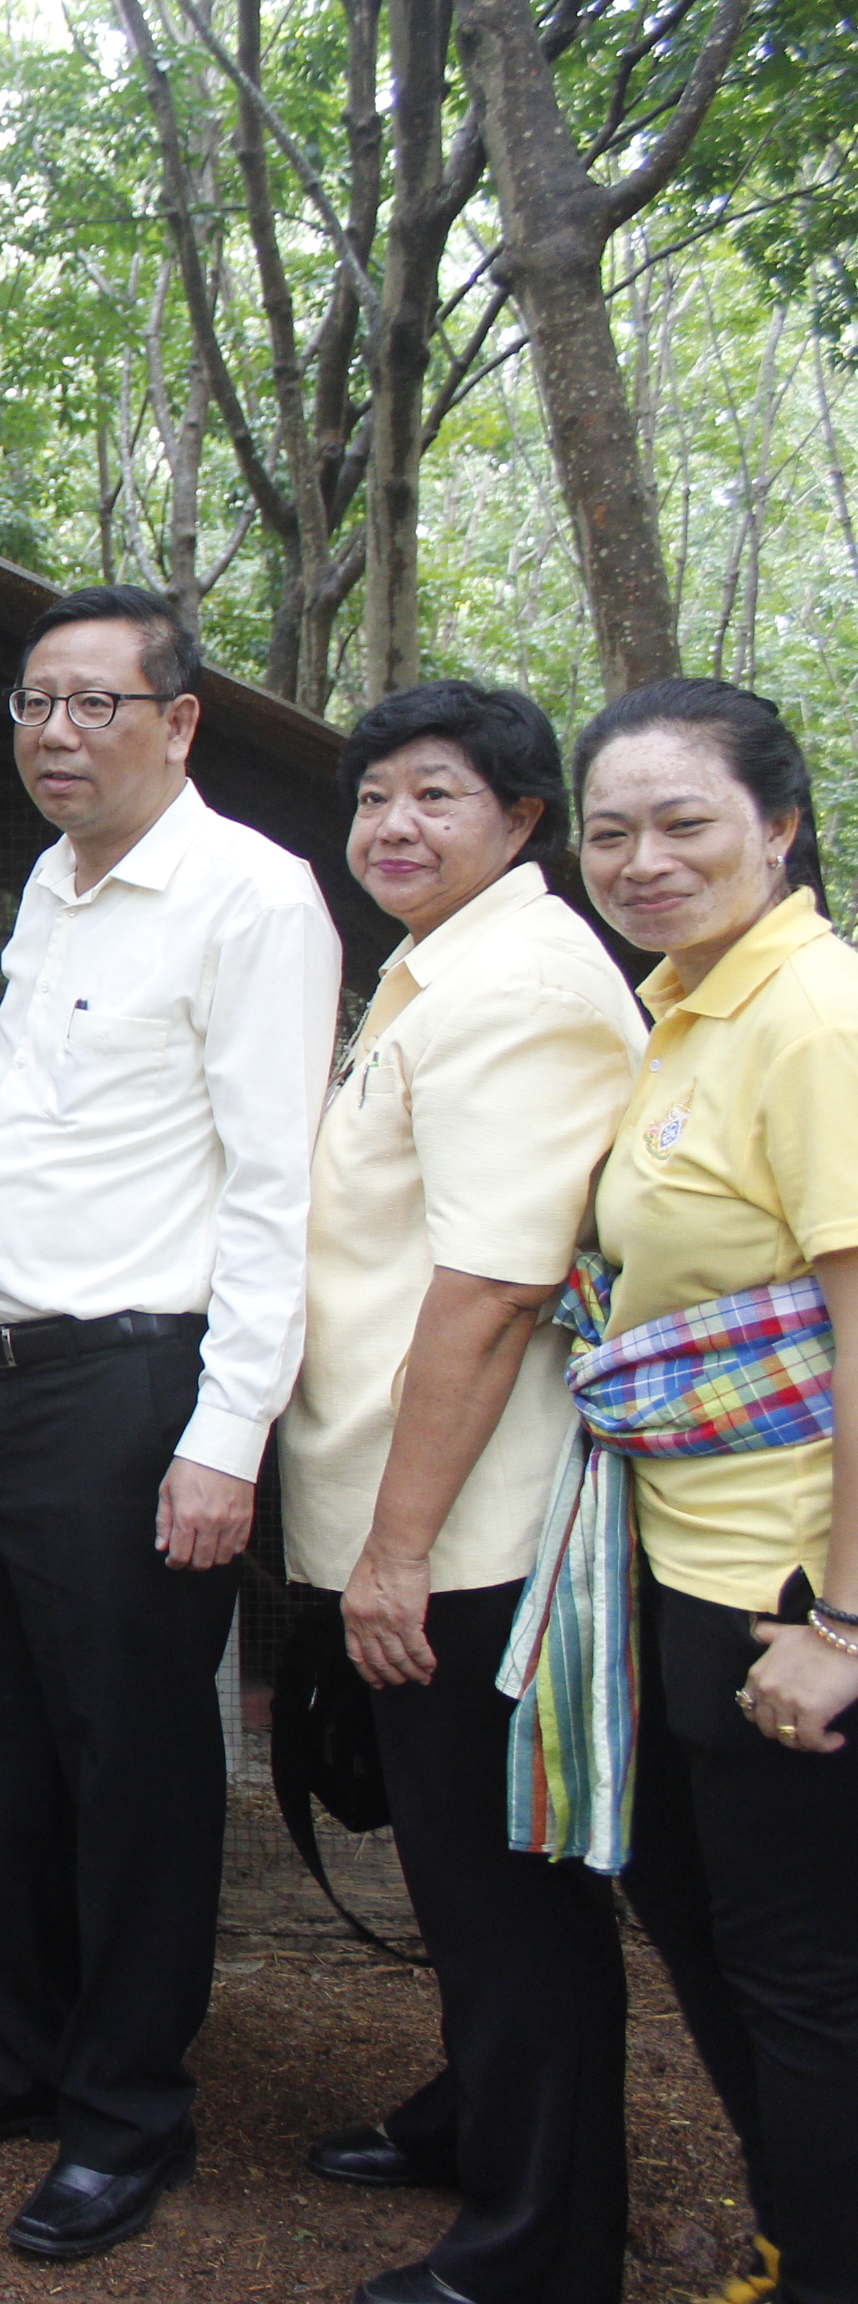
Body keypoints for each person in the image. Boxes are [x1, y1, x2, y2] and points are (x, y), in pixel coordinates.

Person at [0, 586, 339, 2262]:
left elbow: (279, 1193)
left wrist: (224, 1437)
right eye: (35, 701)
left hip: (141, 1385)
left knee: (130, 1764)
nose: (56, 732)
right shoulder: (55, 891)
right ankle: (19, 2050)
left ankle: (127, 2109)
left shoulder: (252, 903)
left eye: (96, 703)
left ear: (179, 721)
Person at [275, 684, 642, 2304]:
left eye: (435, 795)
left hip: (473, 1525)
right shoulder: (442, 968)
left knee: (512, 1890)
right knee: (449, 1859)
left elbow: (491, 1290)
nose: (393, 828)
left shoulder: (525, 987)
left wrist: (399, 1549)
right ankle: (472, 2110)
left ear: (523, 818)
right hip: (398, 1497)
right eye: (373, 800)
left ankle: (539, 2233)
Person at [544, 681, 855, 2304]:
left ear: (779, 826)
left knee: (801, 1966)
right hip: (675, 1558)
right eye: (615, 828)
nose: (644, 857)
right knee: (711, 1925)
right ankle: (804, 2230)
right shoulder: (689, 1007)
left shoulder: (813, 1015)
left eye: (685, 823)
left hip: (785, 1584)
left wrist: (842, 1619)